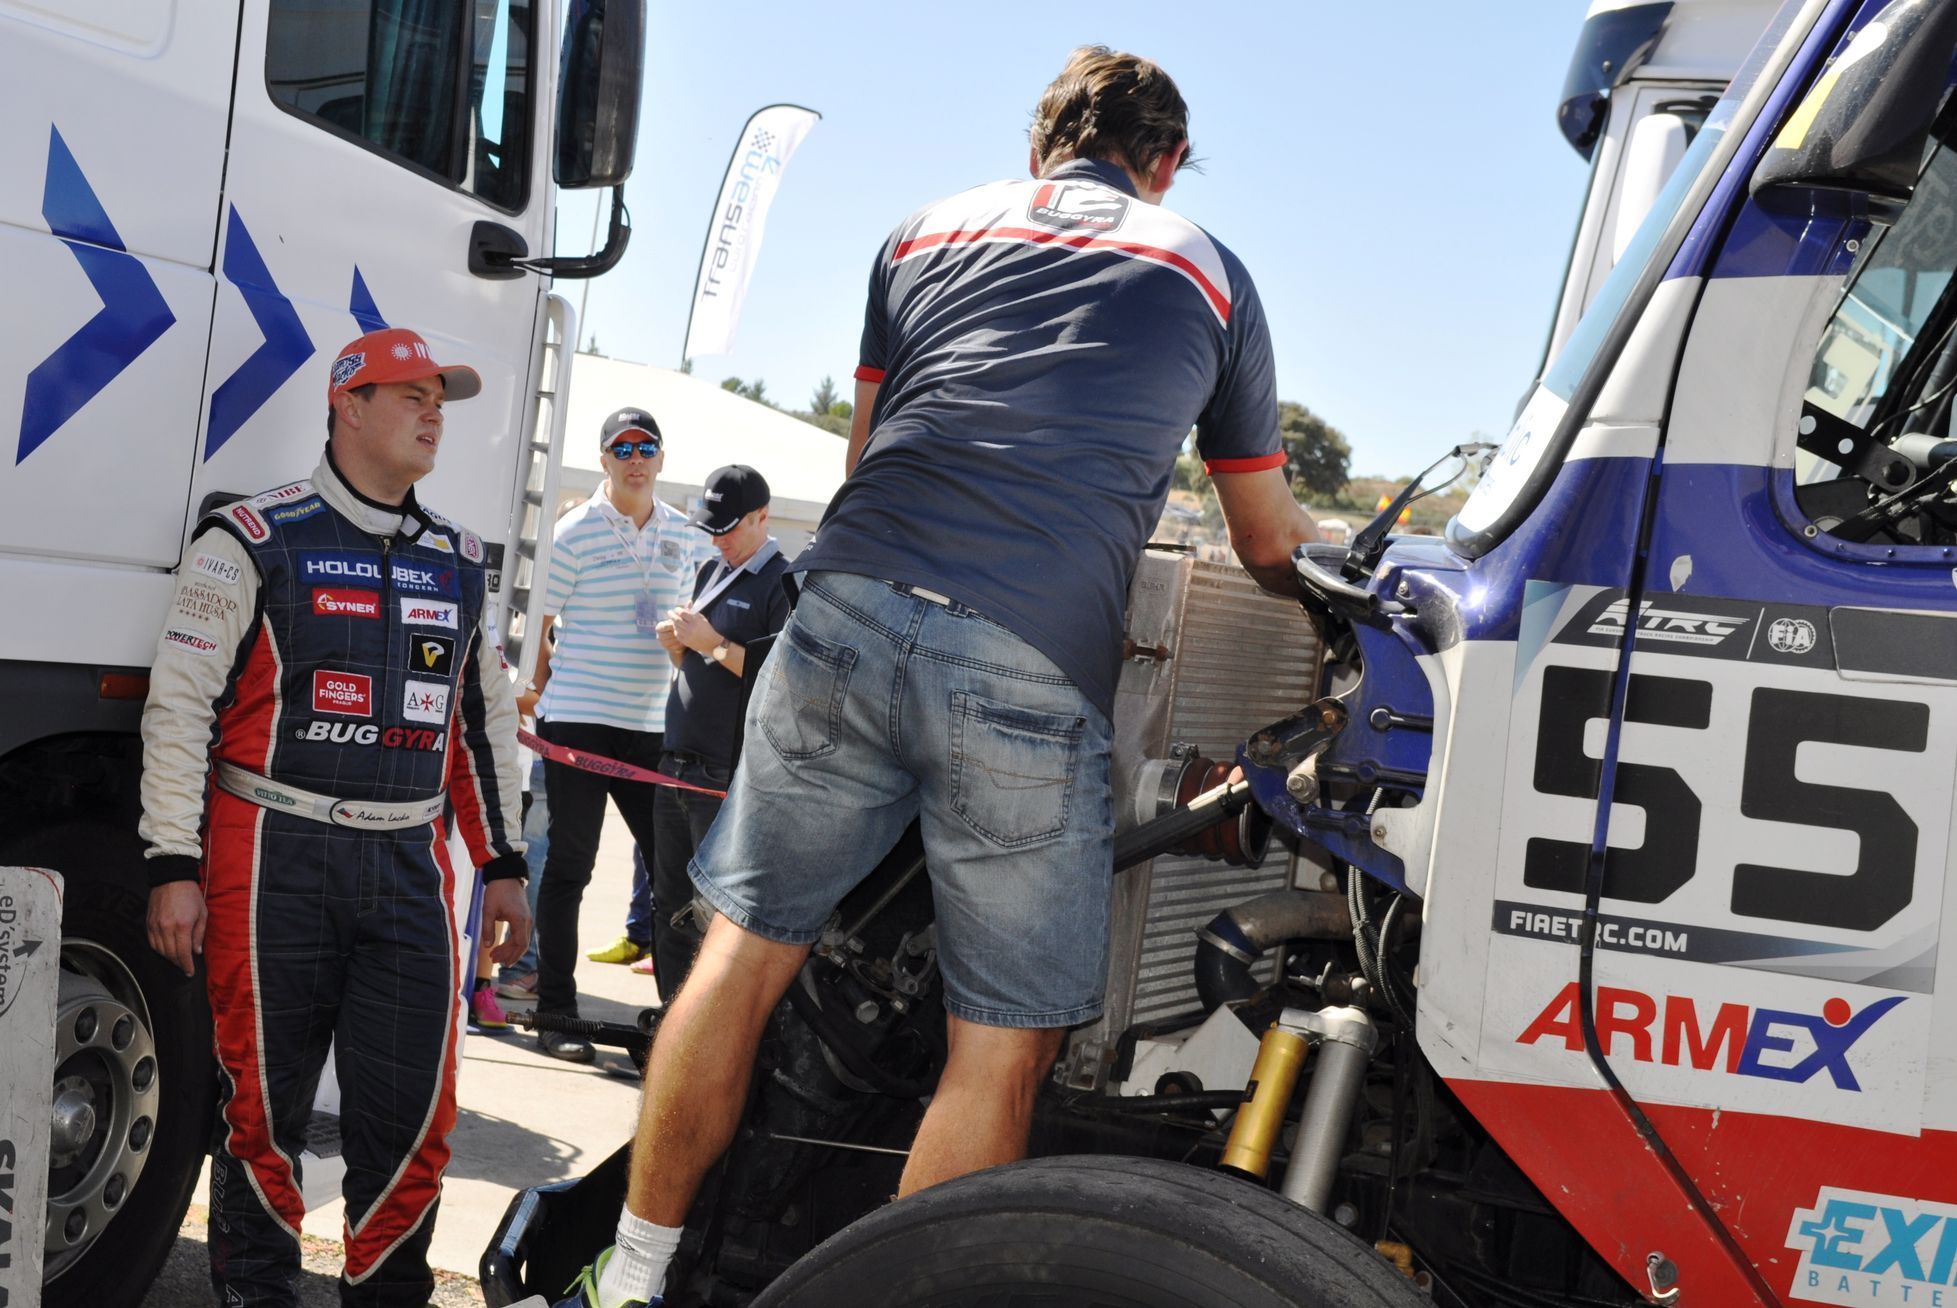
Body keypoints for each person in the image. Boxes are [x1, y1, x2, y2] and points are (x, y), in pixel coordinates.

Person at [543, 45, 1320, 1308]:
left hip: (843, 610)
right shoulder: (1207, 269)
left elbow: (862, 460)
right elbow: (1269, 542)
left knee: (740, 960)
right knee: (1000, 1051)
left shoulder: (921, 233)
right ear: (1166, 164)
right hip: (1024, 655)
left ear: (1040, 145)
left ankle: (628, 1282)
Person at [139, 326, 530, 1307]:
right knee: (260, 1119)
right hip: (270, 850)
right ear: (347, 405)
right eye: (413, 395)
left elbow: (483, 729)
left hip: (408, 863)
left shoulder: (460, 561)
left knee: (411, 1122)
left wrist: (507, 863)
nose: (434, 414)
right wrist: (166, 862)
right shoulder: (252, 540)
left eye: (442, 399)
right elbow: (181, 705)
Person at [525, 408, 713, 1061]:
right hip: (576, 719)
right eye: (621, 447)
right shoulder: (573, 532)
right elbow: (538, 623)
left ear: (660, 458)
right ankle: (555, 1013)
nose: (635, 457)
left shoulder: (688, 535)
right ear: (604, 459)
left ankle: (668, 1028)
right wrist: (537, 693)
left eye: (646, 446)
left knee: (673, 882)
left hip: (651, 728)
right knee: (569, 868)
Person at [648, 465, 792, 990]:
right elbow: (700, 665)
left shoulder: (783, 582)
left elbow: (778, 681)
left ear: (761, 517)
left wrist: (709, 643)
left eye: (728, 527)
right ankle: (666, 1023)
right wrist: (679, 649)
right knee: (665, 905)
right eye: (711, 528)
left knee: (712, 916)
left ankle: (700, 1037)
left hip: (721, 773)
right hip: (675, 764)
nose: (718, 540)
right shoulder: (711, 571)